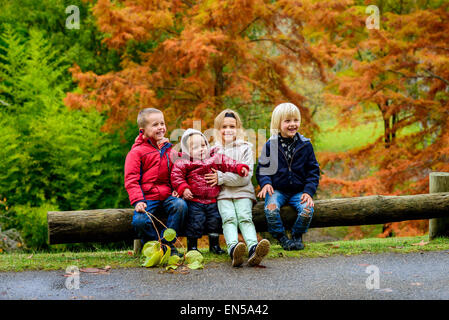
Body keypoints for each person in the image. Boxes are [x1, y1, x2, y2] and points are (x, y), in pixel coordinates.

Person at [205, 109, 270, 267]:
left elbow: (245, 177)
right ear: (217, 129)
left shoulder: (246, 148)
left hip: (243, 192)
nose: (228, 130)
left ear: (238, 128)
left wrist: (221, 178)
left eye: (232, 126)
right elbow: (208, 176)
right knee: (229, 219)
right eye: (224, 126)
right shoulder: (212, 151)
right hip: (223, 194)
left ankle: (254, 248)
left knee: (244, 217)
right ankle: (234, 249)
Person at [171, 128, 249, 255]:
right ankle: (192, 247)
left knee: (214, 222)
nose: (201, 149)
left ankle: (214, 245)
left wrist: (239, 167)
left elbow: (228, 162)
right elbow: (176, 176)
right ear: (186, 151)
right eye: (195, 147)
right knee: (195, 222)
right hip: (194, 200)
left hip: (213, 200)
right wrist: (183, 188)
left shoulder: (214, 158)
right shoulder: (184, 162)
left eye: (203, 145)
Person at [256, 102, 320, 251]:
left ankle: (297, 235)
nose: (292, 124)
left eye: (295, 120)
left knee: (307, 209)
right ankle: (281, 237)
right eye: (287, 121)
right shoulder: (270, 145)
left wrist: (308, 192)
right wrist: (265, 183)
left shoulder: (305, 145)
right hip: (277, 190)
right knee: (271, 209)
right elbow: (263, 168)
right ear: (278, 124)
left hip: (299, 191)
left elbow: (313, 171)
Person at [124, 108, 188, 256]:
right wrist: (138, 200)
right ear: (143, 130)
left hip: (166, 195)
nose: (160, 127)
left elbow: (178, 170)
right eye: (155, 125)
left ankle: (167, 243)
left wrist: (177, 187)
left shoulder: (169, 150)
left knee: (181, 206)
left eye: (162, 123)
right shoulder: (137, 152)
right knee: (139, 221)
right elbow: (131, 179)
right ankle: (159, 247)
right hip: (146, 197)